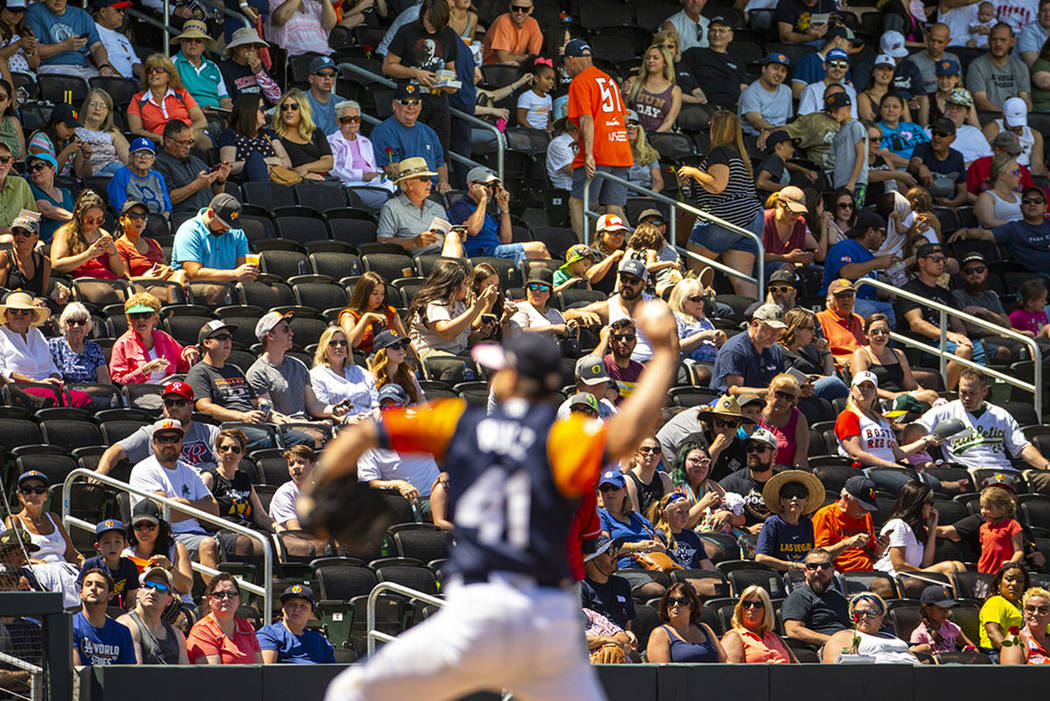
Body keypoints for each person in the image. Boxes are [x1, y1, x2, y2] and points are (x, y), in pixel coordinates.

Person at [309, 301, 678, 701]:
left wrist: (316, 495)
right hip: (546, 619)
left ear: (512, 378)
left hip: (479, 612)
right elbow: (632, 428)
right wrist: (663, 351)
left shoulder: (463, 425)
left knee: (351, 691)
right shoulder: (564, 440)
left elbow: (364, 434)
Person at [679, 110, 763, 297]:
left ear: (716, 129)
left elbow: (717, 185)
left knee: (693, 269)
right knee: (742, 279)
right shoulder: (739, 155)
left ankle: (693, 310)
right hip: (752, 217)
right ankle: (756, 317)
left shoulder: (719, 152)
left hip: (726, 217)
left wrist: (693, 172)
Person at [914, 369, 1050, 480]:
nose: (967, 398)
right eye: (963, 392)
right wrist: (921, 437)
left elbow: (1022, 448)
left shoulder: (1000, 415)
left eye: (972, 393)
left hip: (1004, 472)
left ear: (984, 391)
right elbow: (913, 430)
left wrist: (1047, 466)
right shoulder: (944, 412)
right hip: (971, 474)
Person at [128, 418, 221, 568]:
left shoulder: (190, 471)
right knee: (208, 545)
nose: (169, 444)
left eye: (174, 439)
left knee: (244, 543)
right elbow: (164, 513)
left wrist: (181, 504)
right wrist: (199, 509)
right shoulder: (144, 469)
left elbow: (214, 512)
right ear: (154, 443)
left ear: (181, 442)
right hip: (167, 536)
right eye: (163, 439)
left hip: (199, 532)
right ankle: (215, 592)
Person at [564, 38, 632, 239]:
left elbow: (587, 118)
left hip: (600, 151)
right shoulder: (608, 79)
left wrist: (589, 153)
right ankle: (640, 249)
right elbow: (623, 117)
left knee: (577, 201)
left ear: (570, 59)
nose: (565, 68)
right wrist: (585, 140)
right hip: (620, 149)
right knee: (614, 208)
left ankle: (583, 248)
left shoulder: (579, 81)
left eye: (565, 63)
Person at [97, 381, 219, 478]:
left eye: (180, 403)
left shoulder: (210, 432)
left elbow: (226, 463)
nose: (174, 407)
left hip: (210, 489)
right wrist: (101, 470)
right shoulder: (152, 432)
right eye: (169, 403)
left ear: (191, 406)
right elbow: (116, 450)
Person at [382, 0, 459, 155]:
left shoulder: (449, 34)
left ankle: (442, 180)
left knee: (440, 153)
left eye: (436, 25)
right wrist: (416, 73)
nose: (431, 28)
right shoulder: (407, 31)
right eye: (429, 21)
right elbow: (388, 66)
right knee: (411, 152)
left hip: (439, 103)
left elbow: (451, 68)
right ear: (422, 14)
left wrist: (450, 83)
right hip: (410, 101)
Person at [247, 311, 344, 432]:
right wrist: (312, 425)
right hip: (285, 430)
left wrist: (335, 409)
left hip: (306, 425)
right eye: (285, 330)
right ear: (270, 336)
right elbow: (272, 416)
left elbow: (313, 405)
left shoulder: (298, 365)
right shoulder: (257, 373)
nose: (291, 333)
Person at [0, 293, 92, 408]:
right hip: (20, 389)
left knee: (82, 398)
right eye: (13, 311)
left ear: (31, 316)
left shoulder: (37, 334)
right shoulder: (1, 335)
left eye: (25, 312)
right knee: (55, 401)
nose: (19, 315)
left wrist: (55, 379)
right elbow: (2, 372)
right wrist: (35, 383)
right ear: (6, 315)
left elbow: (50, 365)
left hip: (47, 386)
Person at [448, 166, 549, 262]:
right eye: (486, 186)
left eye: (493, 187)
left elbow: (505, 240)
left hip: (495, 253)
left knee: (537, 264)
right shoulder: (459, 206)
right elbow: (473, 230)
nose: (490, 191)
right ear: (471, 186)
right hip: (479, 254)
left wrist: (504, 208)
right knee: (539, 248)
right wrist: (483, 199)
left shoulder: (485, 213)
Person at [873, 480, 966, 577]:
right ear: (921, 505)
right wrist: (923, 573)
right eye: (931, 503)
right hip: (893, 578)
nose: (932, 508)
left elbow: (927, 563)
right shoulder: (898, 525)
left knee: (959, 566)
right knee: (949, 567)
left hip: (910, 577)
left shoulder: (915, 530)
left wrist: (932, 529)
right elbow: (899, 565)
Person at [951, 186, 1050, 275]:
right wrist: (966, 231)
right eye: (1027, 201)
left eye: (1037, 201)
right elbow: (984, 234)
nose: (1032, 204)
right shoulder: (1013, 228)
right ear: (1021, 208)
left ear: (1045, 207)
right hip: (1034, 277)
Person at [376, 157, 463, 257]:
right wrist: (413, 243)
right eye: (424, 179)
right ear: (410, 184)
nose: (430, 183)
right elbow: (382, 242)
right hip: (420, 262)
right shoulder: (392, 207)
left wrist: (458, 237)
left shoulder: (437, 207)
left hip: (447, 255)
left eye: (429, 179)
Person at [407, 259, 495, 358]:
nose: (467, 287)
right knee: (457, 366)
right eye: (465, 284)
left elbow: (464, 341)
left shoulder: (459, 305)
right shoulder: (434, 304)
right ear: (453, 287)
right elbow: (446, 333)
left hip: (455, 352)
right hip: (431, 353)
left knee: (491, 358)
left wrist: (481, 333)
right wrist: (474, 309)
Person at [369, 82, 448, 191]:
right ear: (394, 105)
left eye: (415, 102)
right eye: (405, 102)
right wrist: (420, 185)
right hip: (406, 190)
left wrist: (443, 182)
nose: (411, 107)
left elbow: (440, 163)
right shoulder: (383, 131)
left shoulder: (429, 132)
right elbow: (391, 168)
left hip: (433, 191)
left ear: (420, 106)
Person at [851, 313, 939, 410]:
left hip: (902, 397)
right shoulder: (861, 354)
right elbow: (862, 387)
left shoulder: (898, 354)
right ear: (866, 335)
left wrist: (928, 395)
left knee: (933, 397)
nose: (880, 335)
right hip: (879, 401)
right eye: (875, 332)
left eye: (885, 332)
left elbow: (912, 386)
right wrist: (892, 395)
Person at [109, 293, 199, 386]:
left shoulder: (163, 337)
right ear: (129, 320)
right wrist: (145, 370)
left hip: (168, 389)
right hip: (140, 393)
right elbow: (118, 382)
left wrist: (189, 352)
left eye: (146, 315)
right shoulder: (122, 344)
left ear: (155, 319)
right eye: (135, 316)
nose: (140, 319)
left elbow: (182, 365)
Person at [201, 428, 275, 534]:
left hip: (250, 530)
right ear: (217, 452)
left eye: (235, 449)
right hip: (226, 533)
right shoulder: (209, 478)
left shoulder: (243, 478)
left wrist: (278, 529)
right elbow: (203, 517)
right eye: (225, 448)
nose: (230, 452)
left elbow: (260, 516)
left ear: (242, 453)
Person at [171, 193, 258, 283]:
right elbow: (193, 274)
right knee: (216, 291)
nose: (226, 229)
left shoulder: (237, 233)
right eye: (222, 224)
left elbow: (242, 271)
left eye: (230, 225)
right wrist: (234, 274)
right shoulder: (189, 230)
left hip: (229, 286)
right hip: (192, 287)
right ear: (210, 213)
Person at [128, 53, 209, 148]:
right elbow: (136, 129)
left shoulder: (182, 94)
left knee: (202, 139)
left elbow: (201, 121)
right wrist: (158, 138)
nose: (154, 73)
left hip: (188, 138)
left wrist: (189, 132)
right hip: (161, 142)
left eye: (159, 70)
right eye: (150, 70)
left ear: (169, 77)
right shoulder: (137, 99)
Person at [24, 0, 119, 80]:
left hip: (82, 69)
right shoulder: (35, 10)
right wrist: (65, 46)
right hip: (51, 68)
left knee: (116, 83)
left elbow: (97, 46)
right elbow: (33, 50)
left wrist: (103, 66)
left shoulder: (82, 15)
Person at [710, 303, 786, 397]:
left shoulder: (776, 350)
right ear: (755, 324)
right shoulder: (735, 349)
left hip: (764, 403)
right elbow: (734, 391)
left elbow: (779, 382)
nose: (775, 335)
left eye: (778, 330)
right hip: (732, 406)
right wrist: (772, 392)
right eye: (771, 329)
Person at [155, 120, 232, 214]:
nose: (188, 147)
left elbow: (217, 195)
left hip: (208, 217)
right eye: (183, 142)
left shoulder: (196, 161)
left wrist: (220, 180)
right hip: (183, 218)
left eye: (190, 142)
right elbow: (167, 199)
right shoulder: (158, 164)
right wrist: (197, 184)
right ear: (168, 141)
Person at [328, 100, 394, 209]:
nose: (353, 123)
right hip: (351, 185)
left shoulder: (366, 141)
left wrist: (380, 174)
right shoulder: (331, 141)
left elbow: (373, 166)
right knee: (388, 199)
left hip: (374, 182)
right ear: (338, 123)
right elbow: (333, 170)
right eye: (347, 120)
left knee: (400, 191)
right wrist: (362, 176)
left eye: (356, 119)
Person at [812, 475, 886, 572]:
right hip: (839, 576)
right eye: (862, 505)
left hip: (867, 574)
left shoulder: (866, 516)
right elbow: (819, 557)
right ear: (846, 498)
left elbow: (872, 558)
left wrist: (880, 548)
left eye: (868, 507)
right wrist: (847, 543)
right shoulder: (825, 515)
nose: (865, 510)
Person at [115, 567, 188, 665]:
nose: (153, 592)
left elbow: (186, 675)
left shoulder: (177, 635)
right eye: (148, 586)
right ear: (139, 591)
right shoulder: (126, 625)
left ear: (169, 599)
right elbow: (134, 673)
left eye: (161, 588)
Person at [754, 470, 823, 572]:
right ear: (781, 501)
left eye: (800, 495)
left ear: (806, 500)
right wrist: (794, 566)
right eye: (788, 495)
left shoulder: (807, 523)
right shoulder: (773, 523)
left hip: (807, 574)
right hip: (782, 576)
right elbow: (760, 558)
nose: (795, 499)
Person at [186, 573, 263, 664]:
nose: (226, 598)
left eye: (231, 594)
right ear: (210, 600)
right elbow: (213, 674)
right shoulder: (202, 631)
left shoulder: (247, 627)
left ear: (239, 599)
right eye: (219, 594)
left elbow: (260, 668)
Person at [50, 189, 126, 280]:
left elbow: (120, 272)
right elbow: (56, 265)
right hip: (83, 283)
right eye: (89, 220)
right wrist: (88, 255)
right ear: (79, 214)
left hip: (109, 281)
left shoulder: (103, 234)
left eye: (99, 220)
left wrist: (113, 253)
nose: (94, 224)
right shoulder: (66, 233)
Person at [781, 547, 851, 645]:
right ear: (805, 571)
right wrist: (834, 641)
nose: (819, 570)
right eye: (813, 566)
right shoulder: (799, 596)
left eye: (825, 566)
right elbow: (793, 630)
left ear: (832, 571)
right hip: (820, 649)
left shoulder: (839, 597)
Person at [720, 427, 784, 532]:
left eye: (760, 449)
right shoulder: (730, 484)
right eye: (750, 449)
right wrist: (747, 530)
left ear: (774, 454)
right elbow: (719, 520)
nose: (753, 453)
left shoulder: (784, 483)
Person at [822, 592, 918, 663]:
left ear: (880, 618)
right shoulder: (844, 636)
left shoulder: (894, 638)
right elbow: (834, 668)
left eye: (870, 614)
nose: (864, 617)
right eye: (858, 613)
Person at [218, 93, 291, 185]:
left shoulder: (268, 134)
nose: (265, 113)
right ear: (249, 111)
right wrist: (263, 162)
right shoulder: (230, 134)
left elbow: (287, 162)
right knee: (255, 158)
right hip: (248, 184)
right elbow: (228, 166)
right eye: (262, 109)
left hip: (276, 179)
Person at [646, 582, 727, 663]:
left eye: (682, 601)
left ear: (692, 605)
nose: (676, 605)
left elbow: (723, 660)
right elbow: (663, 672)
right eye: (671, 601)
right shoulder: (660, 633)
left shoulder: (705, 628)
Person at [310, 325, 378, 417]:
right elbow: (324, 410)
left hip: (370, 422)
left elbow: (375, 404)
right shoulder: (316, 375)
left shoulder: (360, 371)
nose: (339, 346)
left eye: (343, 343)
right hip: (342, 425)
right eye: (333, 343)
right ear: (324, 349)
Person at [72, 570, 137, 667]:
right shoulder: (69, 625)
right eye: (88, 584)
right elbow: (76, 673)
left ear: (110, 595)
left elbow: (128, 674)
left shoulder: (122, 632)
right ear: (81, 593)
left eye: (99, 585)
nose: (93, 588)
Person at [256, 584, 335, 664]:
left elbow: (334, 672)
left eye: (303, 606)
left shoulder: (319, 640)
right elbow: (266, 672)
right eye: (291, 604)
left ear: (311, 613)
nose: (297, 609)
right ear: (283, 608)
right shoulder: (270, 633)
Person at [966, 23, 1033, 113]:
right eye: (994, 39)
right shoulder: (977, 65)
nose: (998, 44)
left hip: (1016, 119)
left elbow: (1025, 98)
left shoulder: (1021, 66)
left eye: (1003, 40)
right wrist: (1008, 116)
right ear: (989, 41)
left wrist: (1021, 114)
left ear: (1012, 42)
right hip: (989, 117)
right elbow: (981, 102)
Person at [721, 586, 797, 663]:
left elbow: (798, 669)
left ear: (766, 610)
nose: (751, 608)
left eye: (758, 604)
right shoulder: (734, 636)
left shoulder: (775, 638)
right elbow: (730, 672)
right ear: (740, 608)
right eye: (746, 604)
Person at [338, 273, 409, 356]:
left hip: (392, 358)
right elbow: (350, 343)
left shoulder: (390, 311)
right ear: (364, 293)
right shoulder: (349, 315)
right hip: (366, 360)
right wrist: (366, 318)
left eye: (382, 294)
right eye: (375, 293)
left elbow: (405, 341)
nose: (379, 298)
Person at [272, 89, 333, 181]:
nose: (289, 111)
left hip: (322, 180)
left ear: (303, 110)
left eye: (294, 107)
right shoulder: (273, 135)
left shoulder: (316, 132)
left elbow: (329, 162)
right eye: (284, 107)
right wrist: (302, 175)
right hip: (293, 182)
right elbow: (278, 166)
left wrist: (305, 168)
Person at [172, 20, 230, 114]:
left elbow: (224, 98)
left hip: (216, 116)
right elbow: (168, 99)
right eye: (188, 40)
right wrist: (197, 112)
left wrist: (227, 115)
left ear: (204, 45)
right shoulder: (171, 64)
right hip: (187, 117)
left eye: (198, 41)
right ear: (181, 42)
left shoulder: (213, 66)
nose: (193, 43)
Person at [908, 117, 969, 208]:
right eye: (934, 133)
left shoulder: (957, 157)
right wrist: (921, 167)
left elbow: (963, 192)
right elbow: (914, 163)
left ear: (953, 138)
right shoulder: (922, 148)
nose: (936, 137)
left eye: (942, 134)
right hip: (920, 204)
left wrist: (952, 203)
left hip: (946, 205)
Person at [582, 534, 636, 632]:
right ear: (592, 559)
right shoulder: (579, 589)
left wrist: (628, 633)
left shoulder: (622, 584)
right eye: (610, 552)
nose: (616, 555)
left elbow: (628, 624)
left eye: (615, 550)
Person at [761, 186, 820, 278]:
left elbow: (796, 257)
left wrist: (802, 259)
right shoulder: (764, 219)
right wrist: (787, 257)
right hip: (762, 268)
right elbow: (758, 256)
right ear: (779, 205)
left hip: (788, 268)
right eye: (792, 211)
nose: (796, 216)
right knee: (785, 269)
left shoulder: (800, 222)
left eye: (800, 212)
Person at [107, 137, 172, 216]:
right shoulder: (121, 176)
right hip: (133, 222)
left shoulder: (157, 176)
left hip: (158, 222)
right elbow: (120, 208)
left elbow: (167, 208)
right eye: (139, 153)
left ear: (152, 160)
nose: (143, 157)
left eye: (148, 154)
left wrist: (163, 220)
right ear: (131, 156)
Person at [625, 44, 681, 133]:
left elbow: (669, 121)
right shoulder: (633, 81)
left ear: (665, 63)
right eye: (648, 58)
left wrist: (653, 138)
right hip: (633, 135)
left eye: (655, 58)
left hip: (659, 138)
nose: (650, 60)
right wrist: (625, 95)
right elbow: (623, 109)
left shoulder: (675, 90)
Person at [508, 267, 575, 342]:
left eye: (543, 289)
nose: (537, 292)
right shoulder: (520, 308)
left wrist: (570, 329)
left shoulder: (555, 312)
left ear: (549, 293)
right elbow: (517, 333)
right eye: (533, 287)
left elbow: (564, 333)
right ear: (526, 290)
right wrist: (552, 328)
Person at [983, 98, 1046, 177]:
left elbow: (1037, 166)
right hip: (1003, 171)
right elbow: (988, 156)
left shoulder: (1035, 135)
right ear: (1003, 116)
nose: (1016, 127)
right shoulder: (993, 128)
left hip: (1025, 174)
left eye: (1019, 122)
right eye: (1012, 123)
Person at [48, 301, 108, 384]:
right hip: (67, 394)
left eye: (81, 322)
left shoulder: (95, 348)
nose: (76, 326)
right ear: (65, 324)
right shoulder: (54, 345)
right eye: (71, 322)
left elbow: (105, 382)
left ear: (87, 325)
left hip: (93, 394)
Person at [113, 200, 174, 281]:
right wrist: (157, 279)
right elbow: (126, 280)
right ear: (122, 220)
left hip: (164, 283)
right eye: (133, 216)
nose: (139, 220)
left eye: (143, 216)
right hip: (141, 289)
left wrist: (165, 268)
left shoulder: (153, 243)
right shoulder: (119, 246)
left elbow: (166, 267)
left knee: (181, 274)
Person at [758, 375, 810, 469]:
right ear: (770, 392)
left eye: (789, 397)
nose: (783, 400)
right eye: (779, 394)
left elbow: (800, 460)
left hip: (785, 475)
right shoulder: (756, 412)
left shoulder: (798, 418)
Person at [218, 27, 280, 106]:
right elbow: (227, 101)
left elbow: (276, 98)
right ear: (236, 48)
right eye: (247, 46)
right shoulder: (224, 68)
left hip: (263, 112)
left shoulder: (259, 65)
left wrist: (259, 72)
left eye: (256, 47)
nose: (252, 50)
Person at [28, 102, 91, 179]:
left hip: (65, 185)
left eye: (73, 127)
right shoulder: (40, 139)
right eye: (67, 127)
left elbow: (82, 175)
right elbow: (45, 175)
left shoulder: (73, 140)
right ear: (54, 124)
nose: (71, 131)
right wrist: (66, 152)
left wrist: (86, 159)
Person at [909, 584, 975, 654]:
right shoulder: (920, 634)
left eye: (948, 608)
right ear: (926, 608)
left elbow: (973, 648)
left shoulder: (950, 626)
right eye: (941, 608)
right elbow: (915, 658)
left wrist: (966, 654)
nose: (946, 612)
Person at [739, 53, 793, 137]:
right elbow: (756, 121)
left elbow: (788, 119)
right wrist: (777, 131)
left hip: (779, 137)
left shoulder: (787, 91)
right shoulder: (751, 92)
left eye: (783, 71)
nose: (779, 73)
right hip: (754, 138)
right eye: (775, 68)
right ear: (764, 69)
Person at [75, 88, 126, 177]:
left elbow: (129, 159)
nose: (97, 108)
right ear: (86, 106)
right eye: (93, 104)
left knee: (122, 169)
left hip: (114, 167)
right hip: (90, 173)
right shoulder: (75, 130)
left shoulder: (112, 132)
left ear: (108, 112)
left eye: (103, 106)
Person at [0, 215, 51, 301]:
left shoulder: (45, 262)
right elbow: (1, 293)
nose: (20, 236)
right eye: (16, 232)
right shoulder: (3, 258)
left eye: (25, 233)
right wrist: (28, 300)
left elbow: (43, 295)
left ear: (36, 238)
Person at [816, 279, 867, 367]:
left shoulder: (859, 319)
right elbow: (816, 352)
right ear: (829, 299)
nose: (846, 299)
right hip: (838, 369)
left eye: (850, 295)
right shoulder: (820, 318)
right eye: (841, 296)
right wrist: (835, 359)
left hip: (863, 366)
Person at [26, 153, 73, 245]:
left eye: (39, 167)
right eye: (30, 169)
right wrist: (80, 220)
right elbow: (48, 210)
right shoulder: (30, 190)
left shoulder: (66, 192)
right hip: (49, 241)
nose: (34, 171)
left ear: (53, 169)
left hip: (72, 237)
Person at [977, 484, 1024, 574]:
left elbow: (1019, 552)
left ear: (1002, 509)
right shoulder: (983, 528)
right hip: (984, 572)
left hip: (1002, 573)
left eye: (988, 508)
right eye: (981, 507)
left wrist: (1010, 565)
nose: (983, 511)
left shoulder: (1012, 525)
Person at [798, 49, 858, 119]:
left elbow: (853, 119)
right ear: (824, 65)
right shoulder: (811, 89)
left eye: (842, 65)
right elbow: (804, 119)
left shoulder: (851, 91)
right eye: (833, 64)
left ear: (847, 68)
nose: (837, 68)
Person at [267, 0, 336, 59]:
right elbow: (280, 18)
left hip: (325, 56)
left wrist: (325, 1)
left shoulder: (312, 3)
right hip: (298, 59)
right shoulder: (275, 2)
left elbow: (329, 24)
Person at [269, 445, 315, 531]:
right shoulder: (284, 493)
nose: (295, 467)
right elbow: (295, 531)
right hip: (295, 541)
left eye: (301, 462)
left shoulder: (320, 490)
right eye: (291, 464)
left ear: (313, 465)